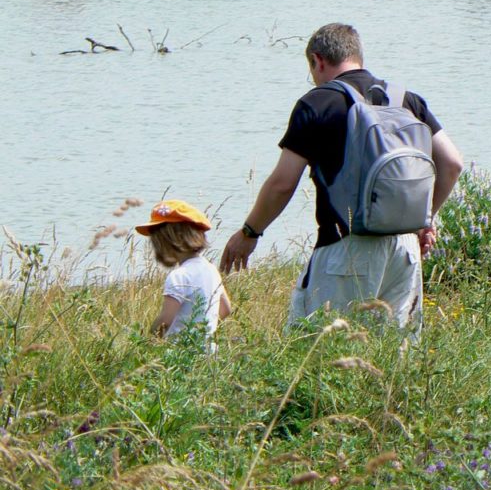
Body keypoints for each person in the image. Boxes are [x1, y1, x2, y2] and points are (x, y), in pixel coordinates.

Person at [220, 23, 463, 333]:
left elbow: (282, 183)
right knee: (393, 356)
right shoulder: (407, 100)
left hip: (345, 247)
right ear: (357, 56)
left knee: (319, 352)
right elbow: (452, 163)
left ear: (318, 60)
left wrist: (250, 232)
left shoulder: (318, 102)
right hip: (404, 251)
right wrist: (424, 220)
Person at [135, 200, 231, 340]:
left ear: (168, 240)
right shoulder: (210, 269)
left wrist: (145, 340)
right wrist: (203, 331)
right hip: (208, 353)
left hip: (178, 353)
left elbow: (165, 321)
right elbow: (226, 309)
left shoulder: (179, 276)